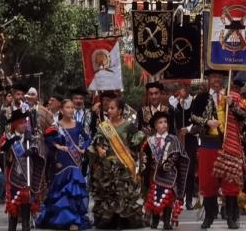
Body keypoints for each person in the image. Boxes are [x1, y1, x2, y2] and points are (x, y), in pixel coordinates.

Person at [189, 69, 245, 229]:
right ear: (208, 79)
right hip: (208, 144)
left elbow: (244, 117)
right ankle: (209, 216)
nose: (216, 80)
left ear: (223, 79)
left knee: (230, 182)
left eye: (219, 77)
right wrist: (206, 122)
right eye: (213, 77)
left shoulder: (232, 97)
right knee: (208, 182)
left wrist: (232, 105)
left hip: (229, 144)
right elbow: (192, 116)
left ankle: (231, 217)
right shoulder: (201, 97)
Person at [89, 98, 145, 229]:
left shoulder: (128, 126)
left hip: (123, 165)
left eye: (112, 108)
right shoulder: (104, 126)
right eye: (108, 108)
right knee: (108, 192)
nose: (109, 110)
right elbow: (97, 139)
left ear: (120, 111)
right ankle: (109, 219)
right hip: (107, 166)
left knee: (122, 193)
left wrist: (129, 149)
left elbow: (139, 137)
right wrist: (99, 148)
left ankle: (122, 220)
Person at [36, 100, 91, 230]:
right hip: (61, 160)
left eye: (72, 108)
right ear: (61, 110)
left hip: (74, 161)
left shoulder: (78, 125)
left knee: (73, 189)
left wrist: (82, 147)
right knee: (62, 189)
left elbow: (88, 138)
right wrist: (57, 145)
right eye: (67, 107)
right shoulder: (56, 125)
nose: (71, 110)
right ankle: (62, 219)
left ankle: (73, 220)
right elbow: (47, 139)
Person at [0, 109, 47, 231]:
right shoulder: (8, 137)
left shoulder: (29, 137)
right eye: (20, 122)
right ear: (14, 124)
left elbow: (39, 148)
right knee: (13, 212)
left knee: (26, 213)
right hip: (13, 178)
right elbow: (2, 148)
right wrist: (11, 141)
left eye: (24, 122)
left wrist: (33, 150)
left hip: (27, 179)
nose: (23, 125)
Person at [141, 111, 189, 230]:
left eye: (165, 122)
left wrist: (167, 163)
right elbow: (145, 159)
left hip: (169, 175)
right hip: (154, 174)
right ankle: (155, 220)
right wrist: (144, 172)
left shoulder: (173, 139)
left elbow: (178, 155)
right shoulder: (150, 141)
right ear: (155, 126)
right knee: (155, 197)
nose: (163, 124)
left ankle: (166, 221)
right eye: (160, 122)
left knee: (168, 198)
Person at [170, 83, 197, 210]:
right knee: (179, 169)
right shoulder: (175, 103)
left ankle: (189, 199)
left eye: (185, 89)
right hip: (178, 139)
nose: (183, 91)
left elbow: (198, 120)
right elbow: (171, 117)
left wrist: (189, 129)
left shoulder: (194, 102)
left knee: (190, 169)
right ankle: (179, 198)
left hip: (190, 139)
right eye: (181, 89)